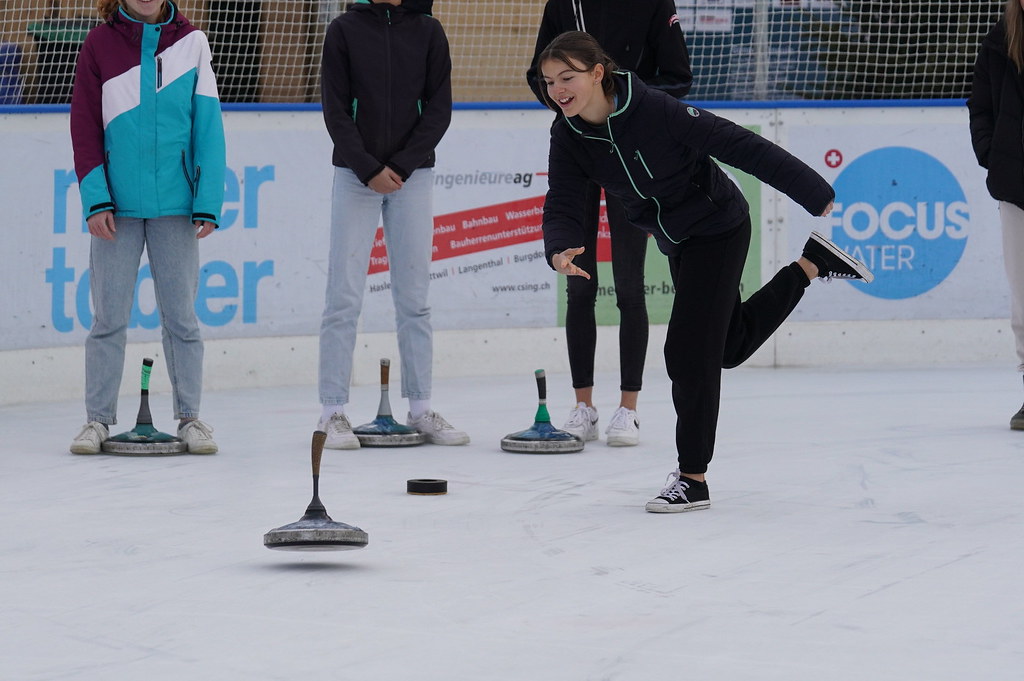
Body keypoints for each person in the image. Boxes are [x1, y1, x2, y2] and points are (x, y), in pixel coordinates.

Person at [536, 31, 873, 512]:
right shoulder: (567, 132)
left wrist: (811, 190)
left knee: (689, 354)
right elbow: (564, 195)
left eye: (566, 78)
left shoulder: (653, 109)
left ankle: (692, 478)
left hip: (717, 225)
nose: (557, 90)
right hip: (675, 239)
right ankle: (813, 263)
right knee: (728, 347)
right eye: (549, 81)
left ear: (596, 73)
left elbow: (735, 143)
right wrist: (559, 247)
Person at [526, 0, 693, 447]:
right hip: (582, 148)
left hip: (630, 153)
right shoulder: (564, 4)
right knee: (578, 282)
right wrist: (572, 101)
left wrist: (626, 107)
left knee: (629, 285)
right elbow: (538, 72)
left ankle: (628, 409)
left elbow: (677, 76)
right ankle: (583, 405)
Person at [68, 0, 225, 455]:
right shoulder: (99, 43)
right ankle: (97, 420)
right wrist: (96, 198)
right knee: (108, 319)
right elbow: (84, 127)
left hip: (176, 207)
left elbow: (208, 125)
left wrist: (206, 199)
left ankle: (190, 417)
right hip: (116, 207)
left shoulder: (193, 43)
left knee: (182, 318)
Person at [317, 0, 469, 449]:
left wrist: (402, 166)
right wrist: (367, 169)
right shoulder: (343, 29)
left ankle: (420, 407)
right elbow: (335, 108)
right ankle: (332, 410)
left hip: (413, 175)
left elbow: (439, 108)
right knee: (342, 296)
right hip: (354, 174)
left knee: (414, 296)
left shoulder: (429, 30)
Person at [968, 0, 1024, 430]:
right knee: (1023, 301)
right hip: (1017, 188)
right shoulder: (998, 39)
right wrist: (994, 155)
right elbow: (981, 106)